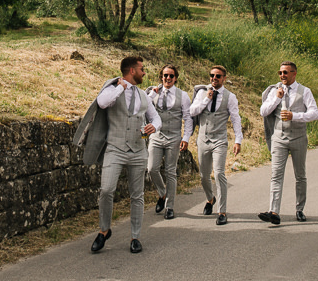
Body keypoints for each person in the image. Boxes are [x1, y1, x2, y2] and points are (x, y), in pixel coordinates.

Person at [82, 56, 162, 254]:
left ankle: (135, 237)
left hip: (138, 150)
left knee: (137, 195)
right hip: (115, 149)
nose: (144, 73)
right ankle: (104, 230)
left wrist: (154, 126)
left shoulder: (144, 95)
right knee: (107, 190)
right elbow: (102, 103)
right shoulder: (112, 89)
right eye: (142, 69)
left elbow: (156, 117)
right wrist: (120, 87)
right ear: (132, 71)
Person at [258, 61, 318, 225]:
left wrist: (295, 116)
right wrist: (276, 99)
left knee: (300, 175)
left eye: (285, 73)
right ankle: (274, 211)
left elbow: (314, 113)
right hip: (279, 137)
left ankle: (300, 209)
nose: (282, 76)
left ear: (294, 73)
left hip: (299, 136)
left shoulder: (305, 91)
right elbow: (263, 111)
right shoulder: (275, 91)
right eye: (280, 73)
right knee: (276, 175)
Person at [189, 65, 243, 226]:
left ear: (224, 78)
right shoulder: (201, 92)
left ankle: (222, 211)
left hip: (220, 139)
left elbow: (235, 118)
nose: (214, 78)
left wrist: (238, 140)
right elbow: (192, 112)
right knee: (204, 176)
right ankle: (210, 198)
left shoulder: (230, 97)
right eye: (212, 75)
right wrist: (207, 99)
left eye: (218, 76)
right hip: (203, 139)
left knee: (219, 173)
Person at [146, 64, 193, 220]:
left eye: (171, 76)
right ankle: (162, 193)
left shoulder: (183, 95)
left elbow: (187, 118)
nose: (168, 78)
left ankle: (170, 206)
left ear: (175, 78)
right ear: (161, 76)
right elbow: (143, 107)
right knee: (151, 168)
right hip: (157, 135)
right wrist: (152, 95)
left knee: (170, 172)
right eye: (165, 75)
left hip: (174, 136)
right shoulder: (153, 92)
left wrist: (186, 138)